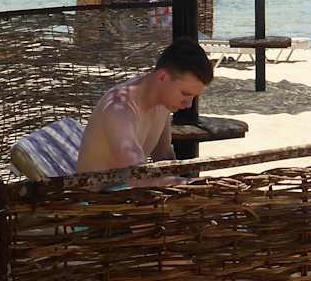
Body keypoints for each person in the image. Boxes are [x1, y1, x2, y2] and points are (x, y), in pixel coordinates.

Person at [76, 37, 214, 178]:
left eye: (193, 97)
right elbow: (138, 176)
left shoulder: (162, 102)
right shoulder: (119, 109)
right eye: (185, 94)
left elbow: (162, 155)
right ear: (163, 77)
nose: (188, 104)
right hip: (97, 191)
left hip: (128, 187)